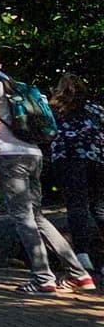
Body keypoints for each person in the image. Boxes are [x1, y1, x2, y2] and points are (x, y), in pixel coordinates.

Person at [0, 38, 95, 296]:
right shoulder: (13, 82)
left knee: (23, 219)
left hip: (9, 156)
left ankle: (43, 277)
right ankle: (79, 274)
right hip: (33, 152)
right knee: (37, 217)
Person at [47, 74, 104, 275]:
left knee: (76, 206)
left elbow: (46, 133)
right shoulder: (95, 108)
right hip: (96, 160)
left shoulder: (55, 109)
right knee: (99, 207)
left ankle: (82, 255)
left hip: (68, 160)